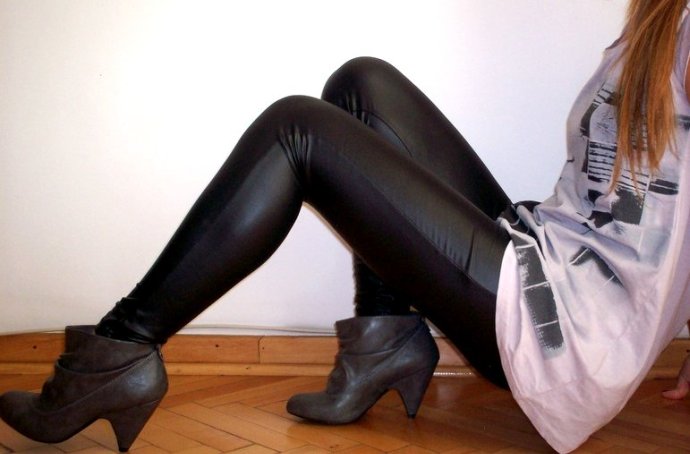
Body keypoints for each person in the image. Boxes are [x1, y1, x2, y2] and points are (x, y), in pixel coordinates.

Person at [2, 0, 690, 452]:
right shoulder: (654, 23)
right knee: (363, 85)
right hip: (545, 252)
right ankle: (382, 345)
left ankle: (114, 354)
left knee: (296, 130)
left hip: (567, 329)